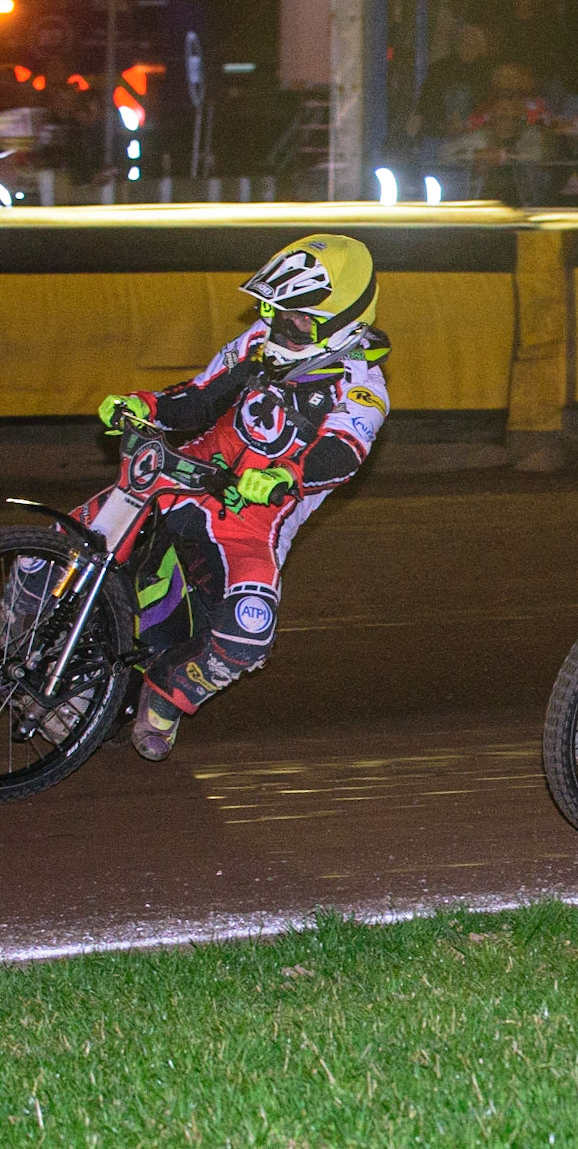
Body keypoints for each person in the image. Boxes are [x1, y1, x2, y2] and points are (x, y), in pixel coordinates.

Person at [88, 235, 390, 761]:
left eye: (297, 318)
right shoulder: (257, 340)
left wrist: (286, 476)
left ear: (347, 321)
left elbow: (342, 452)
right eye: (273, 310)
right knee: (57, 549)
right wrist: (144, 405)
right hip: (183, 479)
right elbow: (201, 397)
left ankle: (165, 697)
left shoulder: (363, 386)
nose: (277, 324)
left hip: (250, 522)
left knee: (250, 633)